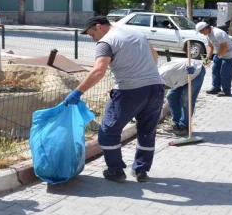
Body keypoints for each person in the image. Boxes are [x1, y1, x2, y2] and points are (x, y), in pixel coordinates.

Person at [63, 16, 163, 183]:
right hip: (155, 88)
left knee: (108, 132)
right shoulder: (136, 33)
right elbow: (154, 57)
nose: (92, 38)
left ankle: (115, 171)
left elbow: (98, 72)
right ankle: (141, 170)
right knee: (147, 131)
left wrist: (77, 92)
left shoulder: (106, 42)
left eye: (91, 34)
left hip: (129, 91)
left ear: (99, 26)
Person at [159, 59, 206, 136]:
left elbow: (190, 63)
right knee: (171, 96)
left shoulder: (167, 72)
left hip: (195, 73)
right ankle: (176, 124)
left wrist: (192, 68)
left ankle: (184, 126)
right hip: (180, 78)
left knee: (187, 99)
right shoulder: (159, 79)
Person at [196, 21, 232, 97]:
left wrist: (218, 56)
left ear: (205, 29)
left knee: (225, 72)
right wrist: (207, 58)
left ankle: (226, 91)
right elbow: (210, 46)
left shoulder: (217, 33)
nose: (201, 33)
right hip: (221, 53)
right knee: (215, 69)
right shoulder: (208, 34)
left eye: (201, 31)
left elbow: (224, 47)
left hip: (229, 54)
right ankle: (215, 88)